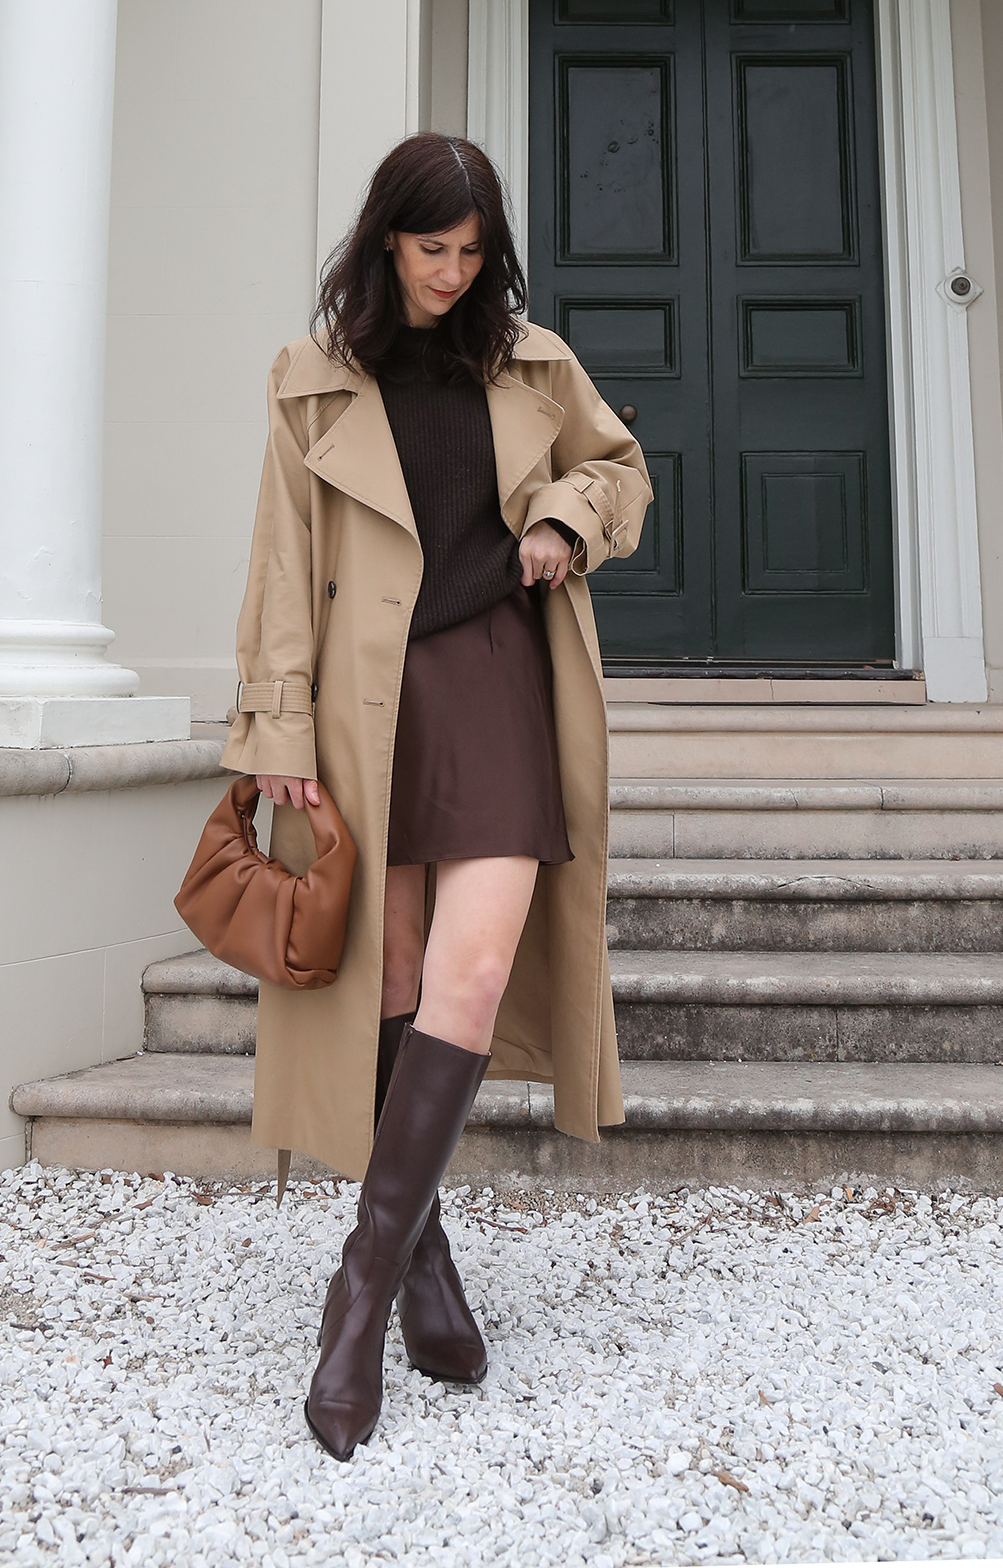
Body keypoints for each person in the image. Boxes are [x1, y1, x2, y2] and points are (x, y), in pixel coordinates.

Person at [221, 133, 651, 1459]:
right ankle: (420, 1264)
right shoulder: (312, 384)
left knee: (465, 985)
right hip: (363, 707)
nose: (455, 276)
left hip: (498, 689)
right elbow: (284, 569)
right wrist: (275, 727)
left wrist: (563, 523)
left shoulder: (532, 361)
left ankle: (355, 1295)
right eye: (431, 251)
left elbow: (625, 471)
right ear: (384, 242)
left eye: (474, 253)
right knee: (392, 987)